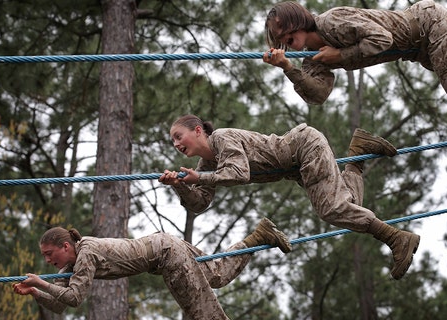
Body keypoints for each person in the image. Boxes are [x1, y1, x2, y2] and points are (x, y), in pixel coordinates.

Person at [262, 0, 447, 179]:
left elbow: (381, 40)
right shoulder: (313, 61)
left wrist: (340, 56)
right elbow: (318, 94)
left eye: (283, 31)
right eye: (278, 39)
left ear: (296, 20)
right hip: (421, 48)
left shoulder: (332, 22)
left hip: (429, 24)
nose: (281, 39)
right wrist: (289, 68)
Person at [159, 114, 420, 280]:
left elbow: (238, 173)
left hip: (303, 147)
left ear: (197, 130)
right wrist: (179, 185)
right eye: (172, 141)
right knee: (348, 206)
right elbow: (200, 204)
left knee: (331, 210)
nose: (176, 144)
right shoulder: (207, 165)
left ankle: (396, 238)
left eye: (178, 136)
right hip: (296, 167)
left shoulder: (222, 139)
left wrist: (198, 179)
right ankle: (359, 151)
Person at [11, 218, 292, 319]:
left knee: (204, 314)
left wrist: (40, 282)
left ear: (65, 246)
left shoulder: (86, 253)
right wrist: (36, 292)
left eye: (50, 255)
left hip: (166, 254)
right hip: (165, 246)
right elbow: (61, 305)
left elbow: (74, 297)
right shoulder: (72, 265)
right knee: (217, 274)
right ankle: (258, 237)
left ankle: (258, 237)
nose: (48, 262)